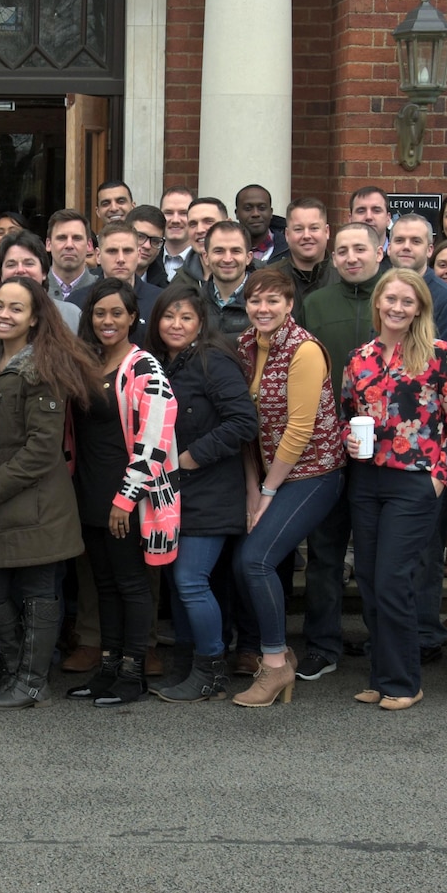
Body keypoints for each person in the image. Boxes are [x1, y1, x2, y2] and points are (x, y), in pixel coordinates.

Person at [0, 278, 98, 708]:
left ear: (35, 318)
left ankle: (31, 682)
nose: (4, 314)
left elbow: (42, 448)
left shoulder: (42, 367)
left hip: (37, 502)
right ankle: (16, 672)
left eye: (16, 309)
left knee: (39, 592)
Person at [340, 268, 447, 711]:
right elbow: (344, 415)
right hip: (367, 479)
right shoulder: (360, 358)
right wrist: (348, 439)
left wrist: (440, 476)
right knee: (373, 580)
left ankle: (403, 681)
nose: (396, 307)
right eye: (389, 299)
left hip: (415, 481)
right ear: (377, 303)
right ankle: (381, 675)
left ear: (419, 309)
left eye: (406, 301)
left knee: (395, 579)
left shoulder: (438, 355)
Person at [232, 268, 347, 708]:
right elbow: (246, 426)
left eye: (273, 301)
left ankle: (277, 664)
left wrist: (268, 493)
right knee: (253, 559)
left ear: (289, 304)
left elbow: (298, 431)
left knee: (255, 559)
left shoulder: (305, 350)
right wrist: (250, 489)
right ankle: (280, 655)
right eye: (255, 301)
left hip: (314, 474)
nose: (263, 309)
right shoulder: (246, 346)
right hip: (264, 474)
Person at [142, 283, 260, 703]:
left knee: (191, 580)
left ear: (200, 322)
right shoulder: (158, 364)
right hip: (173, 494)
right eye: (168, 316)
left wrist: (190, 458)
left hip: (209, 490)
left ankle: (211, 669)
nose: (176, 324)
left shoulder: (213, 361)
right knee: (179, 582)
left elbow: (244, 422)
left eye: (186, 317)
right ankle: (189, 667)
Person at [69, 279, 179, 706]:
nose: (107, 321)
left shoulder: (145, 367)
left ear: (133, 317)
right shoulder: (89, 361)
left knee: (132, 585)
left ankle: (132, 676)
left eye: (117, 313)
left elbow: (155, 440)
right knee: (104, 585)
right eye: (100, 313)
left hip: (127, 498)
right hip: (91, 493)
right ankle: (108, 670)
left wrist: (125, 499)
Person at [295, 222, 387, 680]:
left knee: (375, 552)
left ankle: (383, 641)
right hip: (326, 445)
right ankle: (322, 644)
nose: (352, 257)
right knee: (325, 552)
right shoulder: (314, 304)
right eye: (344, 250)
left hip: (385, 450)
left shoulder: (391, 300)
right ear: (333, 257)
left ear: (379, 251)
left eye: (361, 249)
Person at [388, 213, 447, 361]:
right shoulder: (379, 291)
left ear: (430, 250)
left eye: (416, 241)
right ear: (389, 247)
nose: (406, 247)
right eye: (400, 240)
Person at [94, 220, 161, 325]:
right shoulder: (78, 301)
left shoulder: (159, 302)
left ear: (138, 255)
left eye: (127, 251)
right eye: (112, 251)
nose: (120, 259)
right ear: (98, 256)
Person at [282, 197, 334, 311]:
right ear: (287, 234)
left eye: (314, 228)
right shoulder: (270, 277)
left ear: (327, 232)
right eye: (298, 229)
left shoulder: (344, 277)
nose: (306, 236)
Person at [45, 210, 99, 303]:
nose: (69, 245)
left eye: (77, 238)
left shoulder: (103, 290)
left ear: (89, 245)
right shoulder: (33, 289)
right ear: (48, 244)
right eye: (61, 238)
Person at [234, 184, 284, 264]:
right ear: (237, 213)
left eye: (262, 208)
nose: (255, 214)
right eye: (248, 208)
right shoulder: (224, 252)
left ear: (271, 212)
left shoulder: (290, 249)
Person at [155, 188, 196, 283]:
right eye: (168, 213)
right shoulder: (148, 259)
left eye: (183, 213)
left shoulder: (206, 263)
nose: (175, 220)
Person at [181, 198, 226, 281]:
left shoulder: (254, 275)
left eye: (208, 221)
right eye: (193, 224)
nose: (199, 230)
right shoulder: (179, 282)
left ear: (228, 224)